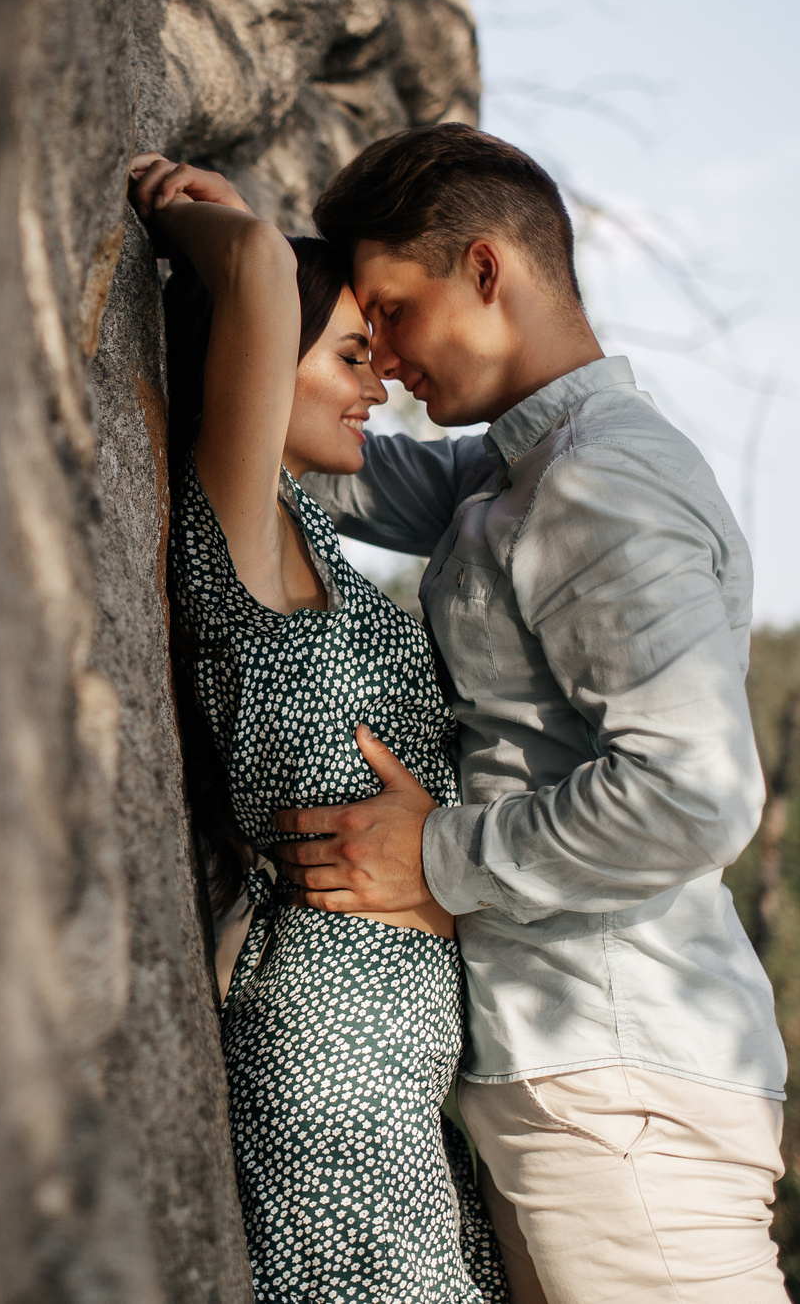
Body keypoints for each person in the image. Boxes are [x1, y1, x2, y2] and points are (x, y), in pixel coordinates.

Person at [269, 122, 791, 1304]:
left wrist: (434, 855)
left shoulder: (600, 478)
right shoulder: (523, 470)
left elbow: (691, 793)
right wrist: (245, 280)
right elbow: (332, 456)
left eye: (394, 313)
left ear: (487, 271)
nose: (386, 362)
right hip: (576, 1074)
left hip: (624, 1087)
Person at [128, 151, 507, 1304]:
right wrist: (223, 223)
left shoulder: (311, 538)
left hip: (391, 1056)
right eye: (347, 356)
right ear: (257, 368)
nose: (376, 386)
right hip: (331, 1056)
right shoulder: (233, 528)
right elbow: (247, 270)